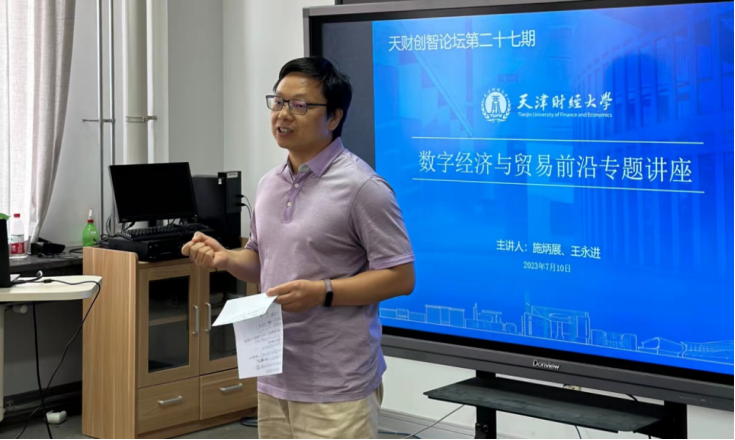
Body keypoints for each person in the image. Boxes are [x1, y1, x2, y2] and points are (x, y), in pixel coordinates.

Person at [182, 57, 415, 439]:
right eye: (278, 102)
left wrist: (323, 292)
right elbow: (261, 259)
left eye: (300, 105)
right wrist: (226, 258)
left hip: (337, 385)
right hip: (275, 374)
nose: (283, 114)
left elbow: (400, 277)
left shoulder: (363, 187)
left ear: (334, 117)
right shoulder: (269, 184)